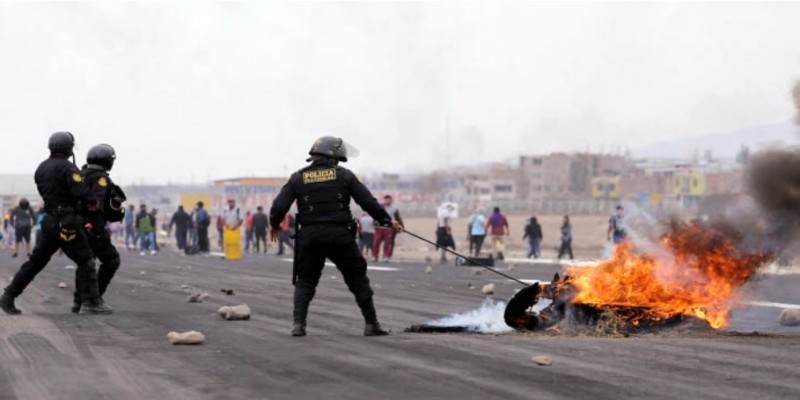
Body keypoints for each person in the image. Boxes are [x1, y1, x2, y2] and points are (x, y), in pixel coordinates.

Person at [269, 136, 399, 337]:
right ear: (334, 157)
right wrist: (387, 221)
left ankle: (298, 325)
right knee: (357, 279)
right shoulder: (345, 175)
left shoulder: (297, 177)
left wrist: (274, 225)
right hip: (340, 236)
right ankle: (371, 324)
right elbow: (368, 202)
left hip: (310, 237)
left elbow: (278, 207)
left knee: (305, 281)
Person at [1, 131, 111, 315]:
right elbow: (80, 192)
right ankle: (91, 302)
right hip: (67, 221)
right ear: (69, 148)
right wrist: (93, 201)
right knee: (86, 260)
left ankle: (8, 296)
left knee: (35, 262)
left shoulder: (41, 168)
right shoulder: (69, 169)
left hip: (49, 221)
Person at [73, 144, 127, 313]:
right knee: (111, 260)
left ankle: (79, 301)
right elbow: (97, 203)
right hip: (92, 226)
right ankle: (92, 301)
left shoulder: (79, 175)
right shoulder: (100, 178)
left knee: (85, 262)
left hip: (75, 224)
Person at [372, 194, 403, 263]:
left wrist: (401, 226)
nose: (387, 201)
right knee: (377, 242)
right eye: (386, 199)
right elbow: (374, 214)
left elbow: (398, 218)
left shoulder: (394, 209)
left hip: (389, 228)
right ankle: (375, 256)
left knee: (387, 243)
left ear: (391, 200)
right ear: (384, 200)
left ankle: (386, 256)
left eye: (389, 200)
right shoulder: (380, 207)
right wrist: (374, 223)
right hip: (379, 227)